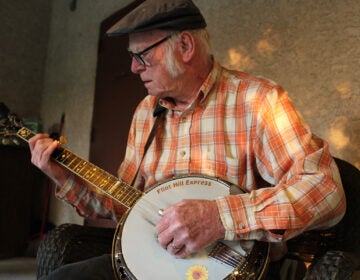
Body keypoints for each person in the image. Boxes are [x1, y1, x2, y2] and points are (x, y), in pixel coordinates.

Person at [30, 0, 346, 279]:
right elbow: (121, 203)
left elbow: (325, 189)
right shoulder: (145, 112)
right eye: (131, 56)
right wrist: (62, 175)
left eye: (141, 55)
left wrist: (221, 217)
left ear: (185, 46)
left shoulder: (257, 100)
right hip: (153, 261)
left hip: (233, 266)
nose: (133, 67)